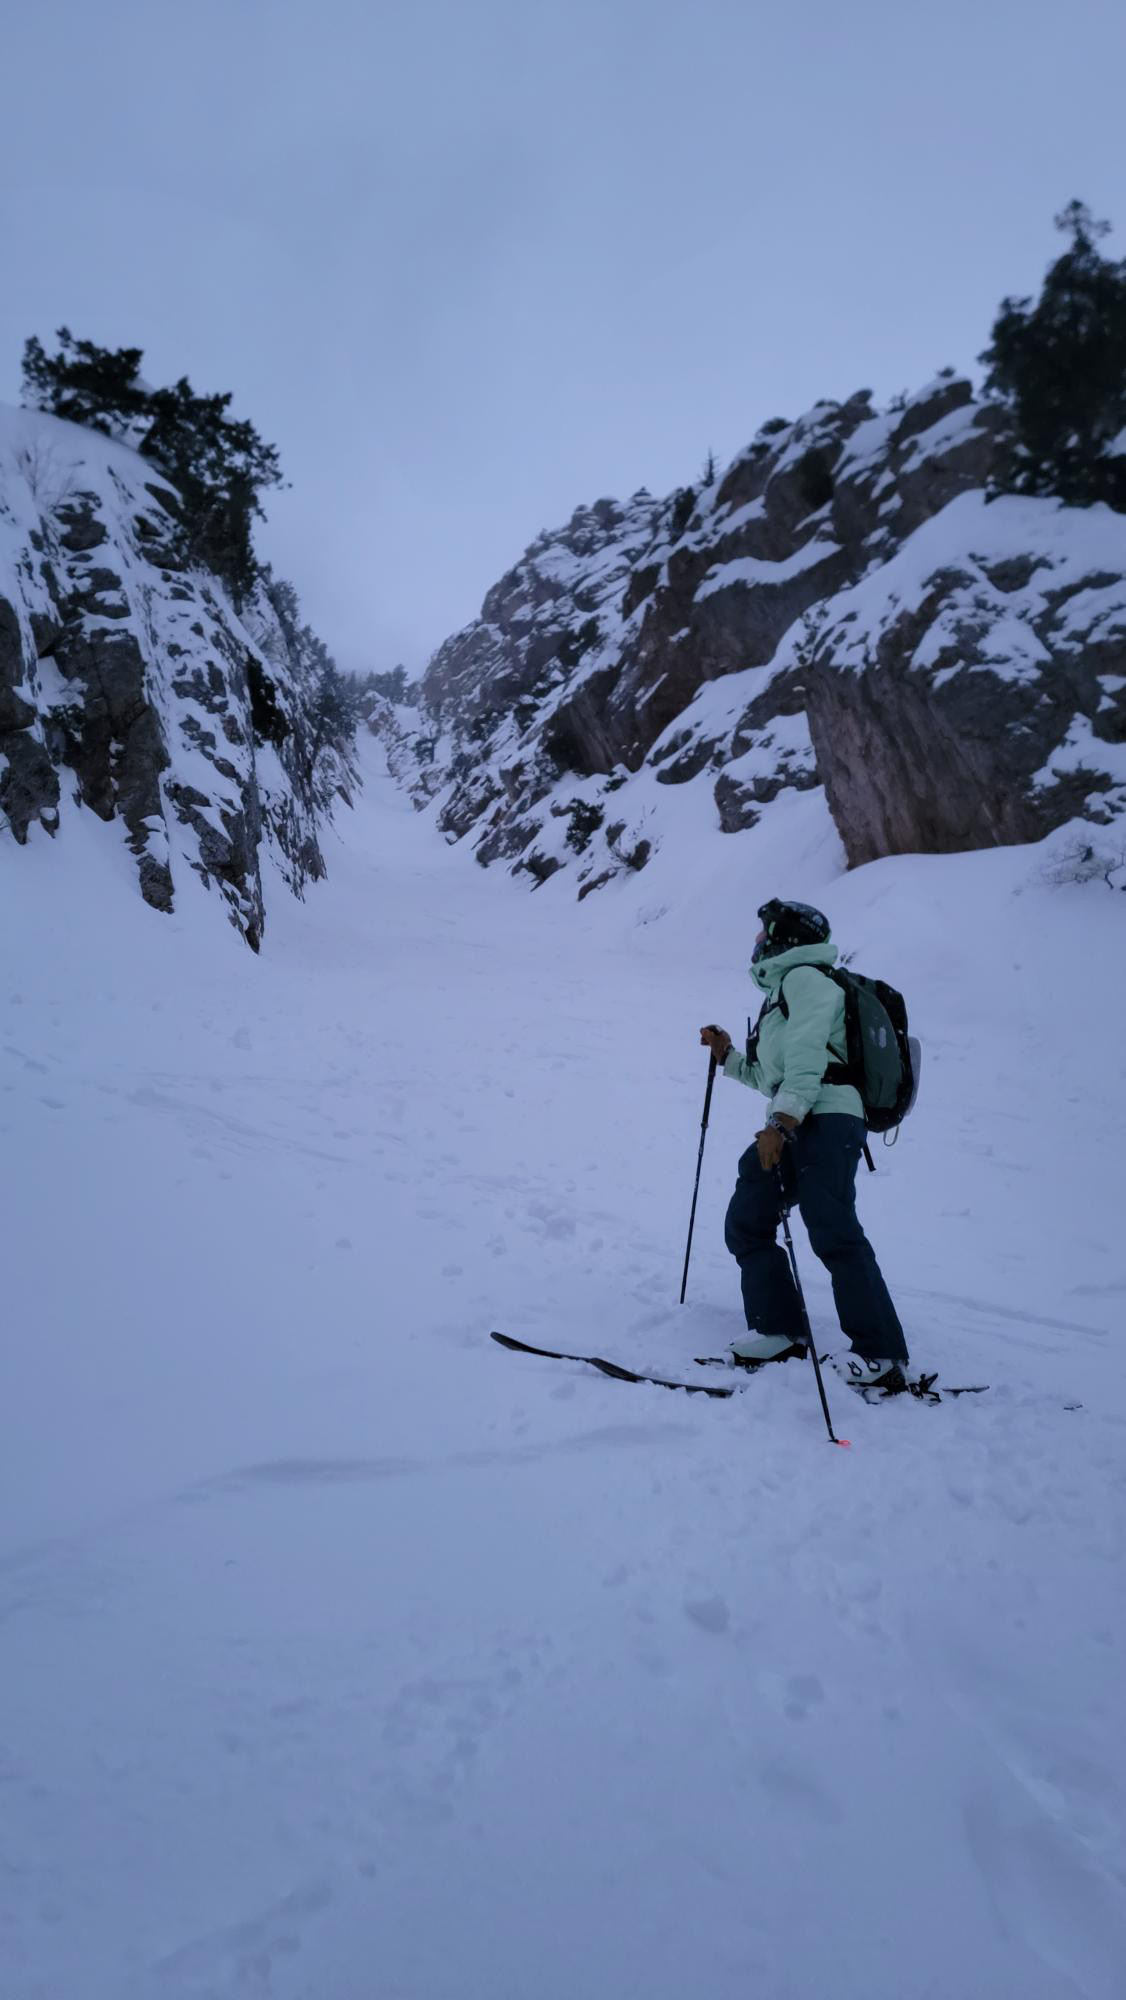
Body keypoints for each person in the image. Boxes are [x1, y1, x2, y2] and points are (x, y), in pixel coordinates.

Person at [699, 897, 909, 1389]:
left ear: (784, 938)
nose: (756, 941)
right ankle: (779, 1332)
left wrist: (783, 1122)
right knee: (748, 1218)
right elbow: (775, 1076)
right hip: (792, 1118)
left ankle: (882, 1355)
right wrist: (728, 1055)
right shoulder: (778, 995)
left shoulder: (806, 979)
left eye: (762, 932)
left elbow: (811, 1059)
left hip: (827, 1118)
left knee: (832, 1226)